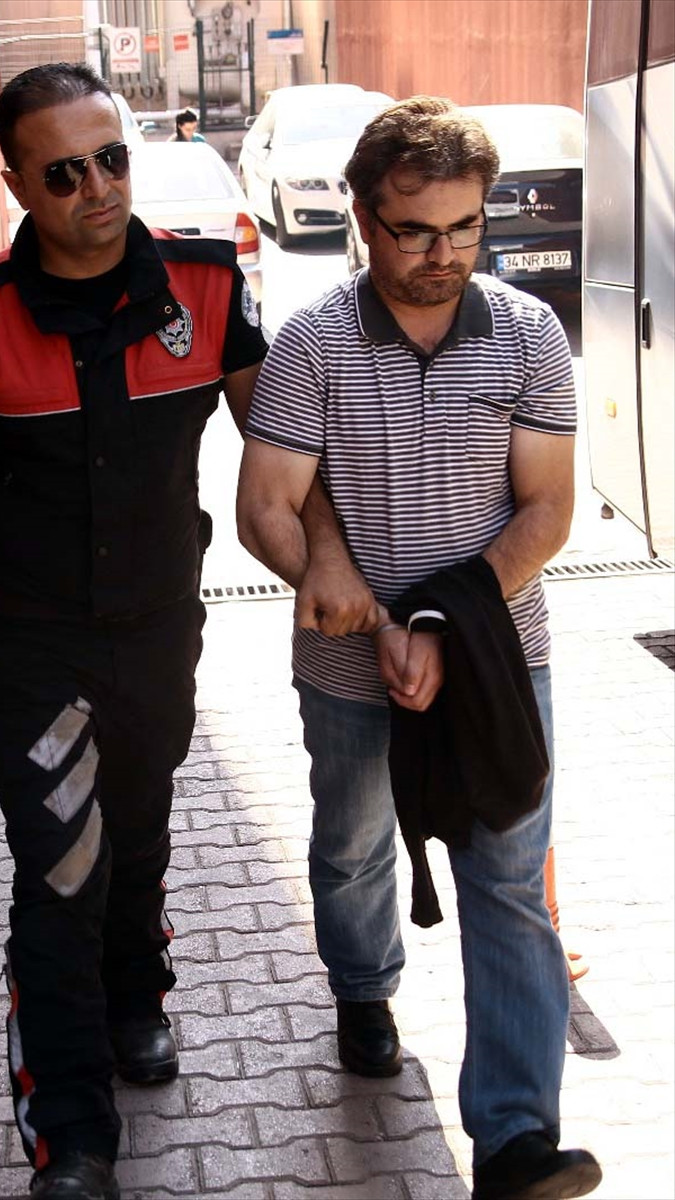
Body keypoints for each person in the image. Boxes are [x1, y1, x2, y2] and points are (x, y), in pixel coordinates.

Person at [0, 62, 267, 1200]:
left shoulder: (208, 288)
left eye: (111, 158)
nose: (98, 188)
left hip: (159, 629)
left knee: (136, 831)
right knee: (61, 867)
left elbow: (276, 443)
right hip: (30, 640)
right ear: (18, 186)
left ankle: (137, 997)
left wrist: (337, 561)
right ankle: (74, 1138)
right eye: (65, 173)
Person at [236, 96, 602, 1200]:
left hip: (498, 663)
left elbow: (546, 512)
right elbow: (265, 506)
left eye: (463, 227)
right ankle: (361, 987)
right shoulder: (311, 343)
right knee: (354, 848)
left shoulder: (528, 333)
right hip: (348, 669)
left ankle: (515, 1140)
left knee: (508, 883)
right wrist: (343, 593)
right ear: (361, 218)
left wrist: (440, 622)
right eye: (412, 231)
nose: (441, 254)